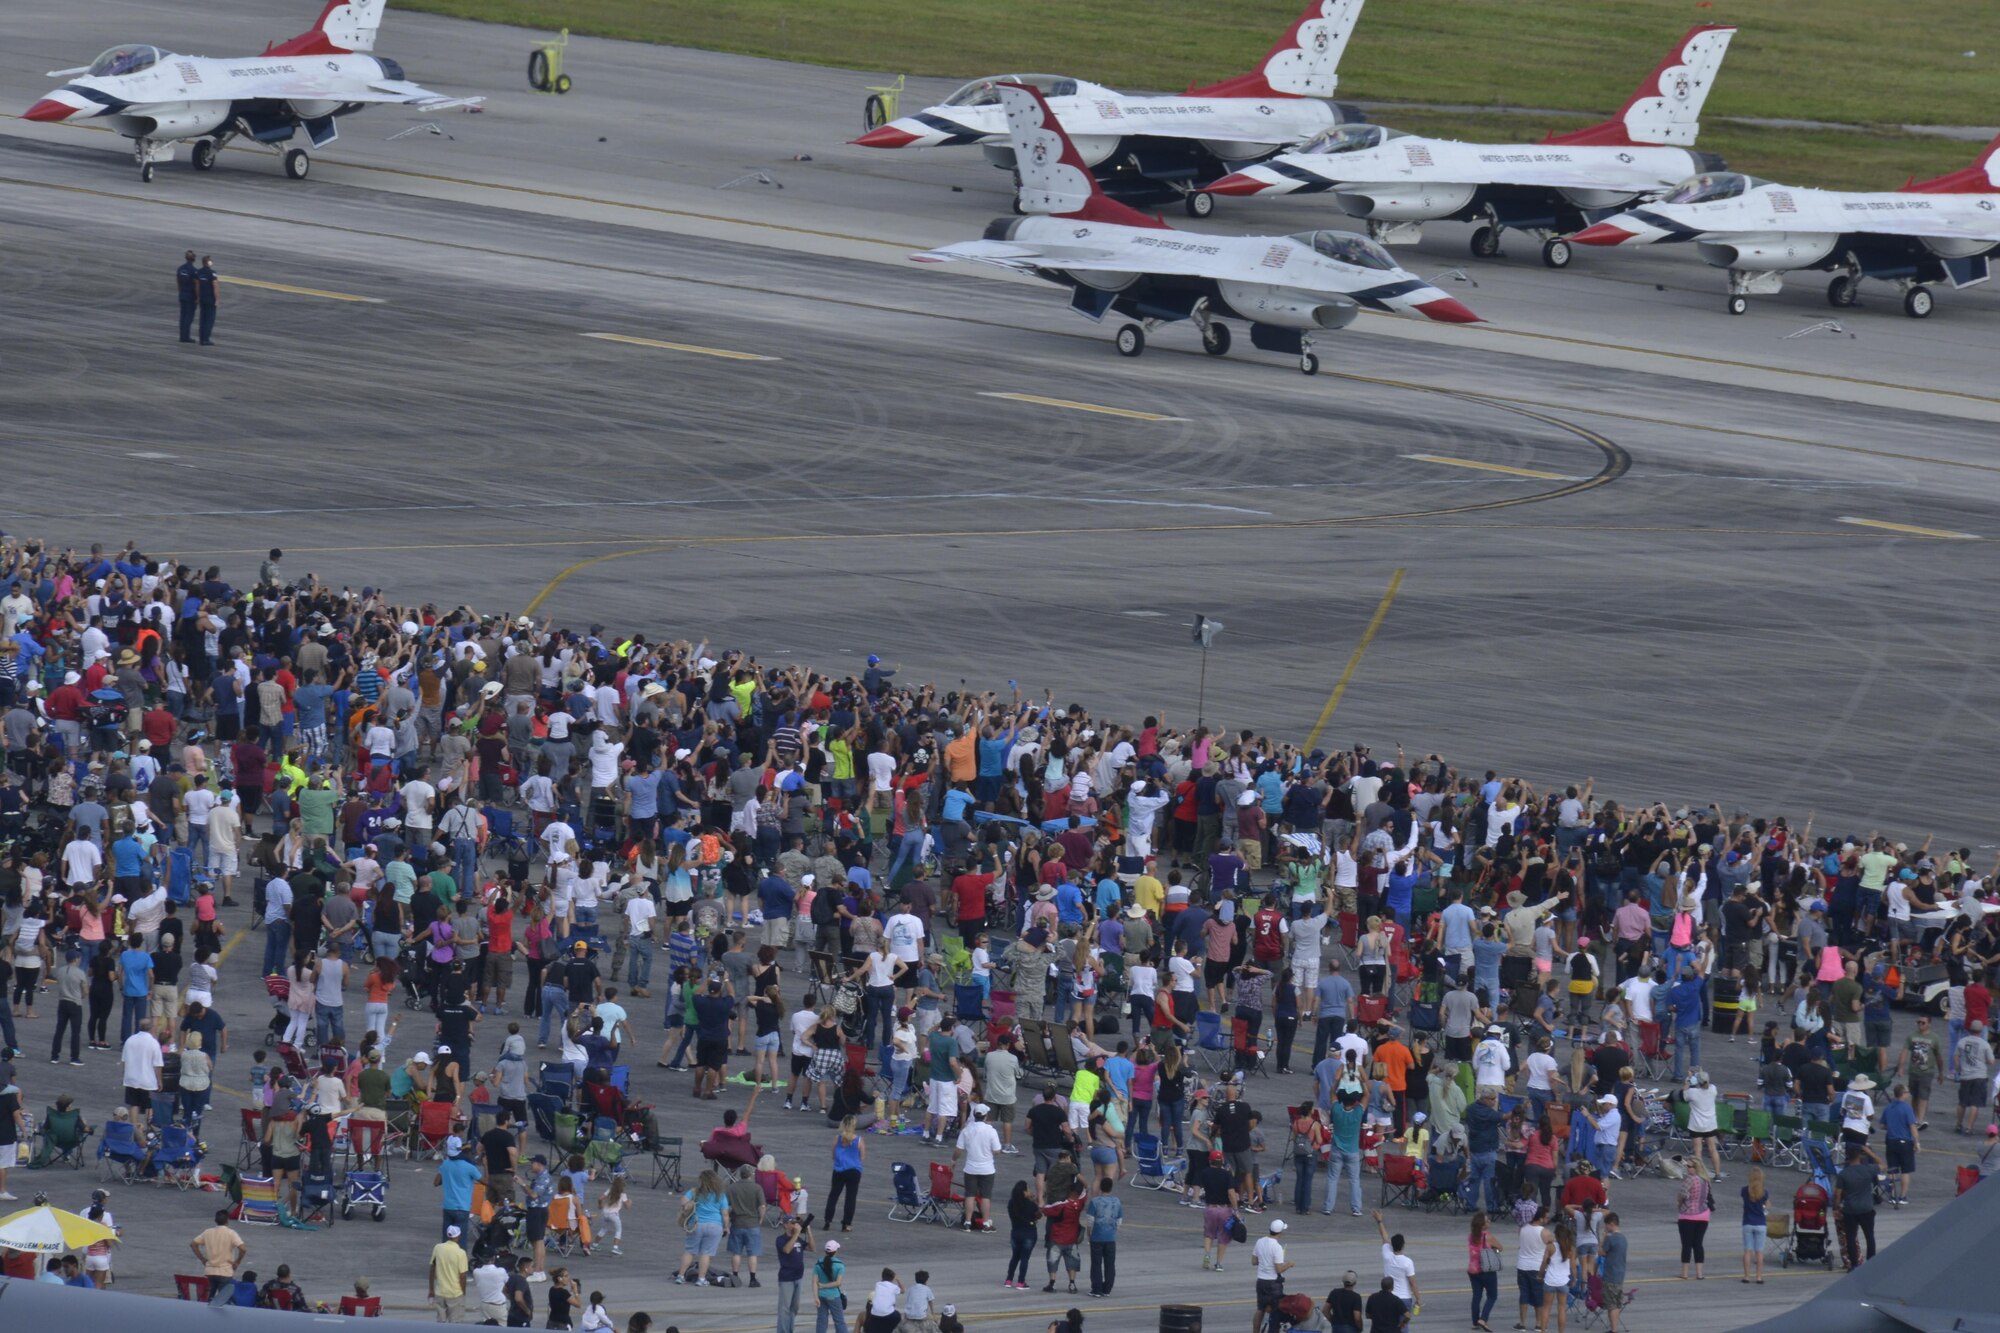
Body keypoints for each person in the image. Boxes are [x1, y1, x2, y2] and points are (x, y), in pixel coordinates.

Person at [1833, 1144, 1882, 1270]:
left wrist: (1836, 1208)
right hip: (1866, 1208)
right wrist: (1869, 1152)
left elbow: (1837, 1194)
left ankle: (1854, 1264)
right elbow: (1882, 1165)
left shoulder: (1844, 1174)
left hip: (1850, 1209)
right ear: (1860, 1156)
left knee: (1850, 1237)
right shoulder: (1868, 1169)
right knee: (1869, 1236)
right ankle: (1871, 1263)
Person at [190, 1207, 247, 1306]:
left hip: (210, 1271)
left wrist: (203, 1259)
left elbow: (193, 1244)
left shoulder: (207, 1232)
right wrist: (237, 1261)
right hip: (225, 1271)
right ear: (227, 1220)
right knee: (223, 1300)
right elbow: (243, 1249)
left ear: (215, 1220)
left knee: (210, 1298)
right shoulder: (231, 1233)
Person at [1372, 1210, 1418, 1315]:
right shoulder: (1407, 1262)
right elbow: (1413, 1283)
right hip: (1404, 1298)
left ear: (1392, 1245)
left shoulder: (1387, 1255)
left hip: (1390, 1297)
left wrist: (1379, 1221)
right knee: (1403, 1328)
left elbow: (1384, 1237)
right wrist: (1418, 1299)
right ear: (1403, 1245)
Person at [1083, 1177, 1123, 1298]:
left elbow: (1090, 1221)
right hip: (1110, 1237)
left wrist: (1089, 1234)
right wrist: (1113, 1230)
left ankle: (1096, 1288)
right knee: (1110, 1264)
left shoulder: (1095, 1201)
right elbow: (1119, 1220)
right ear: (1111, 1188)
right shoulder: (1117, 1201)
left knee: (1096, 1263)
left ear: (1101, 1187)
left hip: (1097, 1237)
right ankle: (1107, 1288)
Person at [1252, 1218, 1293, 1333]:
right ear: (1280, 1232)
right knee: (1275, 1310)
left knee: (1260, 1309)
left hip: (1260, 1280)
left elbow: (1254, 1261)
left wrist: (1265, 1261)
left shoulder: (1260, 1241)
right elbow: (1279, 1269)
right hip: (1273, 1283)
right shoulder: (1277, 1247)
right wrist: (1289, 1264)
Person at [776, 1215, 813, 1333]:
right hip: (787, 1278)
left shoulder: (799, 1240)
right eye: (792, 1223)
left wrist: (809, 1231)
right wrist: (796, 1234)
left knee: (794, 1308)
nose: (795, 1225)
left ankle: (790, 1330)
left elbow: (812, 1248)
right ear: (786, 1225)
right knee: (784, 1308)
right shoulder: (780, 1239)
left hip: (798, 1276)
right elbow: (787, 1250)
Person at [1677, 1158, 1712, 1280]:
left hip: (1688, 1214)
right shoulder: (1705, 1181)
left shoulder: (1689, 1180)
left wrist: (1680, 1205)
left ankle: (1685, 1273)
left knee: (1686, 1244)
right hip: (1703, 1215)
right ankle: (1699, 1273)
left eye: (1689, 1166)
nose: (1687, 1168)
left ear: (1696, 1168)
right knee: (1698, 1244)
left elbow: (1682, 1195)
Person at [1467, 1209, 1501, 1332]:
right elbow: (1500, 1248)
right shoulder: (1488, 1236)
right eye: (1487, 1221)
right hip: (1486, 1270)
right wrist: (1494, 1251)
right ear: (1483, 1225)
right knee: (1492, 1295)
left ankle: (1475, 1321)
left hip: (1473, 1270)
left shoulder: (1471, 1236)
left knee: (1477, 1295)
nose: (1489, 1221)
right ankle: (1483, 1319)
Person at [1005, 1179, 1042, 1290]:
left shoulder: (1011, 1204)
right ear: (1024, 1192)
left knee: (1015, 1257)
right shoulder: (1031, 1205)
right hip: (1028, 1233)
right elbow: (1038, 1215)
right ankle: (1021, 1281)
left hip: (1015, 1233)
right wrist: (1033, 1201)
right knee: (1024, 1258)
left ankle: (1009, 1279)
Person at [1598, 1212, 1627, 1332]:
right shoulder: (1623, 1238)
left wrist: (1603, 1237)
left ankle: (1613, 1329)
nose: (1605, 1228)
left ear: (1611, 1224)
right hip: (1620, 1274)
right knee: (1616, 1303)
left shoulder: (1611, 1238)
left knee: (1612, 1305)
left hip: (1610, 1275)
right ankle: (1613, 1328)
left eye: (1606, 1225)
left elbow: (1601, 1252)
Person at [1740, 1164, 1769, 1283]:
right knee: (1759, 1251)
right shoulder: (1764, 1192)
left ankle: (1747, 1276)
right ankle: (1759, 1276)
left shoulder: (1744, 1190)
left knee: (1748, 1251)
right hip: (1760, 1223)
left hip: (1748, 1222)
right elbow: (1767, 1205)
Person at [814, 1241, 848, 1333]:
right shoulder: (840, 1265)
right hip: (834, 1296)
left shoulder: (818, 1264)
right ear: (836, 1251)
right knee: (839, 1321)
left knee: (821, 1321)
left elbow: (814, 1282)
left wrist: (816, 1297)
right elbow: (838, 1283)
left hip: (821, 1296)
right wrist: (824, 1285)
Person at [864, 1268, 903, 1333]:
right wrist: (897, 1279)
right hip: (888, 1314)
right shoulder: (893, 1287)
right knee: (897, 1316)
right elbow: (903, 1290)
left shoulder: (878, 1284)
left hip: (875, 1313)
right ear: (893, 1278)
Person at [176, 250, 200, 343]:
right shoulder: (194, 271)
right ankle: (185, 337)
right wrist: (198, 297)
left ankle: (182, 335)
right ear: (193, 259)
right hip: (191, 296)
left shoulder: (180, 269)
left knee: (182, 316)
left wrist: (180, 291)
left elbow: (178, 281)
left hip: (183, 294)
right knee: (188, 317)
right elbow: (197, 285)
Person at [195, 254, 219, 345]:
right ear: (209, 263)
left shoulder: (199, 272)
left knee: (202, 319)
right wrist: (217, 299)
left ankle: (201, 338)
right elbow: (215, 286)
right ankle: (206, 339)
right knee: (209, 320)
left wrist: (198, 297)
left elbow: (197, 286)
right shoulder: (212, 273)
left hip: (202, 298)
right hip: (210, 299)